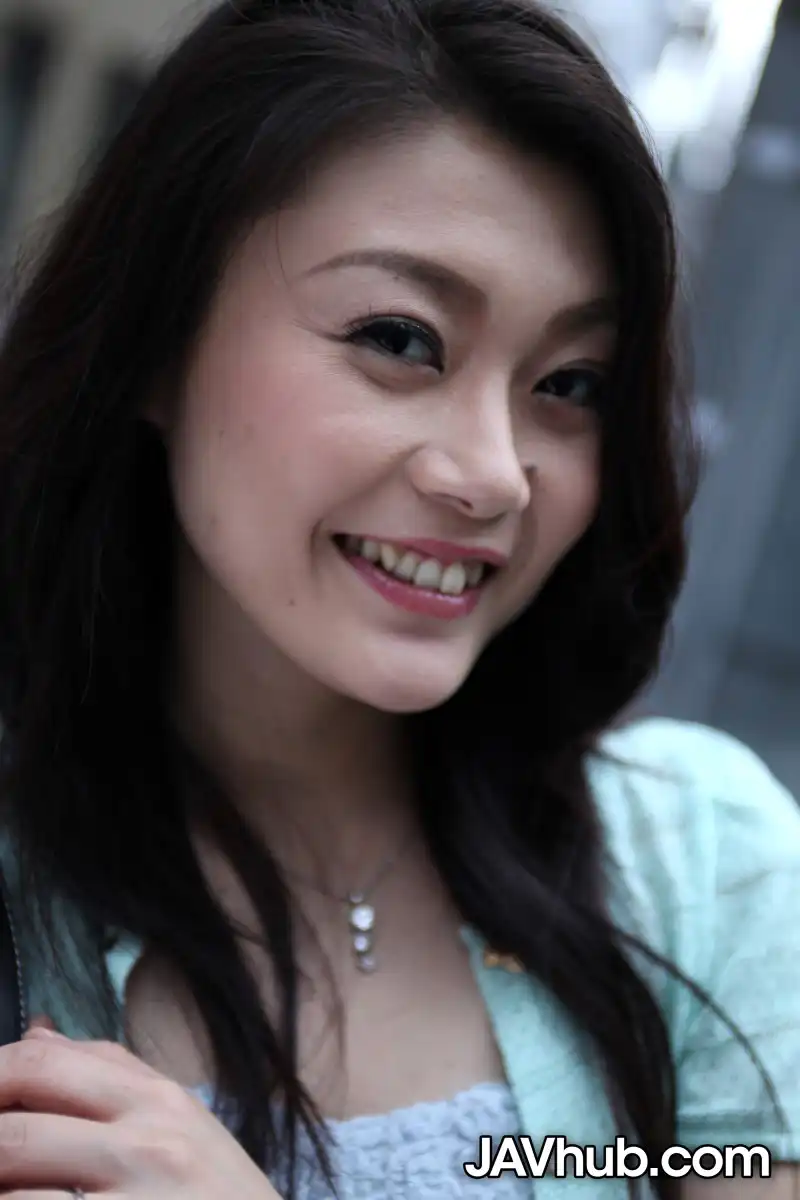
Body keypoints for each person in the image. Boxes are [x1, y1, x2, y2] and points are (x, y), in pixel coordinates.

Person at [0, 0, 796, 1197]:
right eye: (400, 338)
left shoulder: (699, 864)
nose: (492, 475)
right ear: (158, 333)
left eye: (569, 383)